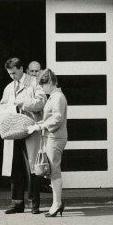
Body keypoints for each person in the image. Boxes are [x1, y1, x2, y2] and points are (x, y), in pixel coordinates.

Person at [0, 57, 45, 214]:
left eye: (15, 73)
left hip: (30, 129)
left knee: (32, 167)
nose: (12, 76)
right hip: (14, 131)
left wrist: (22, 102)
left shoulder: (34, 82)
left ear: (22, 69)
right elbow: (1, 106)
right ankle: (17, 203)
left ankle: (34, 203)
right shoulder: (9, 87)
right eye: (10, 74)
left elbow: (41, 102)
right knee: (15, 167)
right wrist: (4, 110)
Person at [28, 69, 67, 217]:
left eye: (43, 86)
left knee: (54, 170)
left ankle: (57, 203)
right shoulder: (54, 97)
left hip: (55, 138)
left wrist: (40, 126)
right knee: (52, 170)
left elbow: (57, 118)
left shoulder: (57, 97)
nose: (43, 89)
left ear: (50, 82)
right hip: (52, 137)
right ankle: (57, 203)